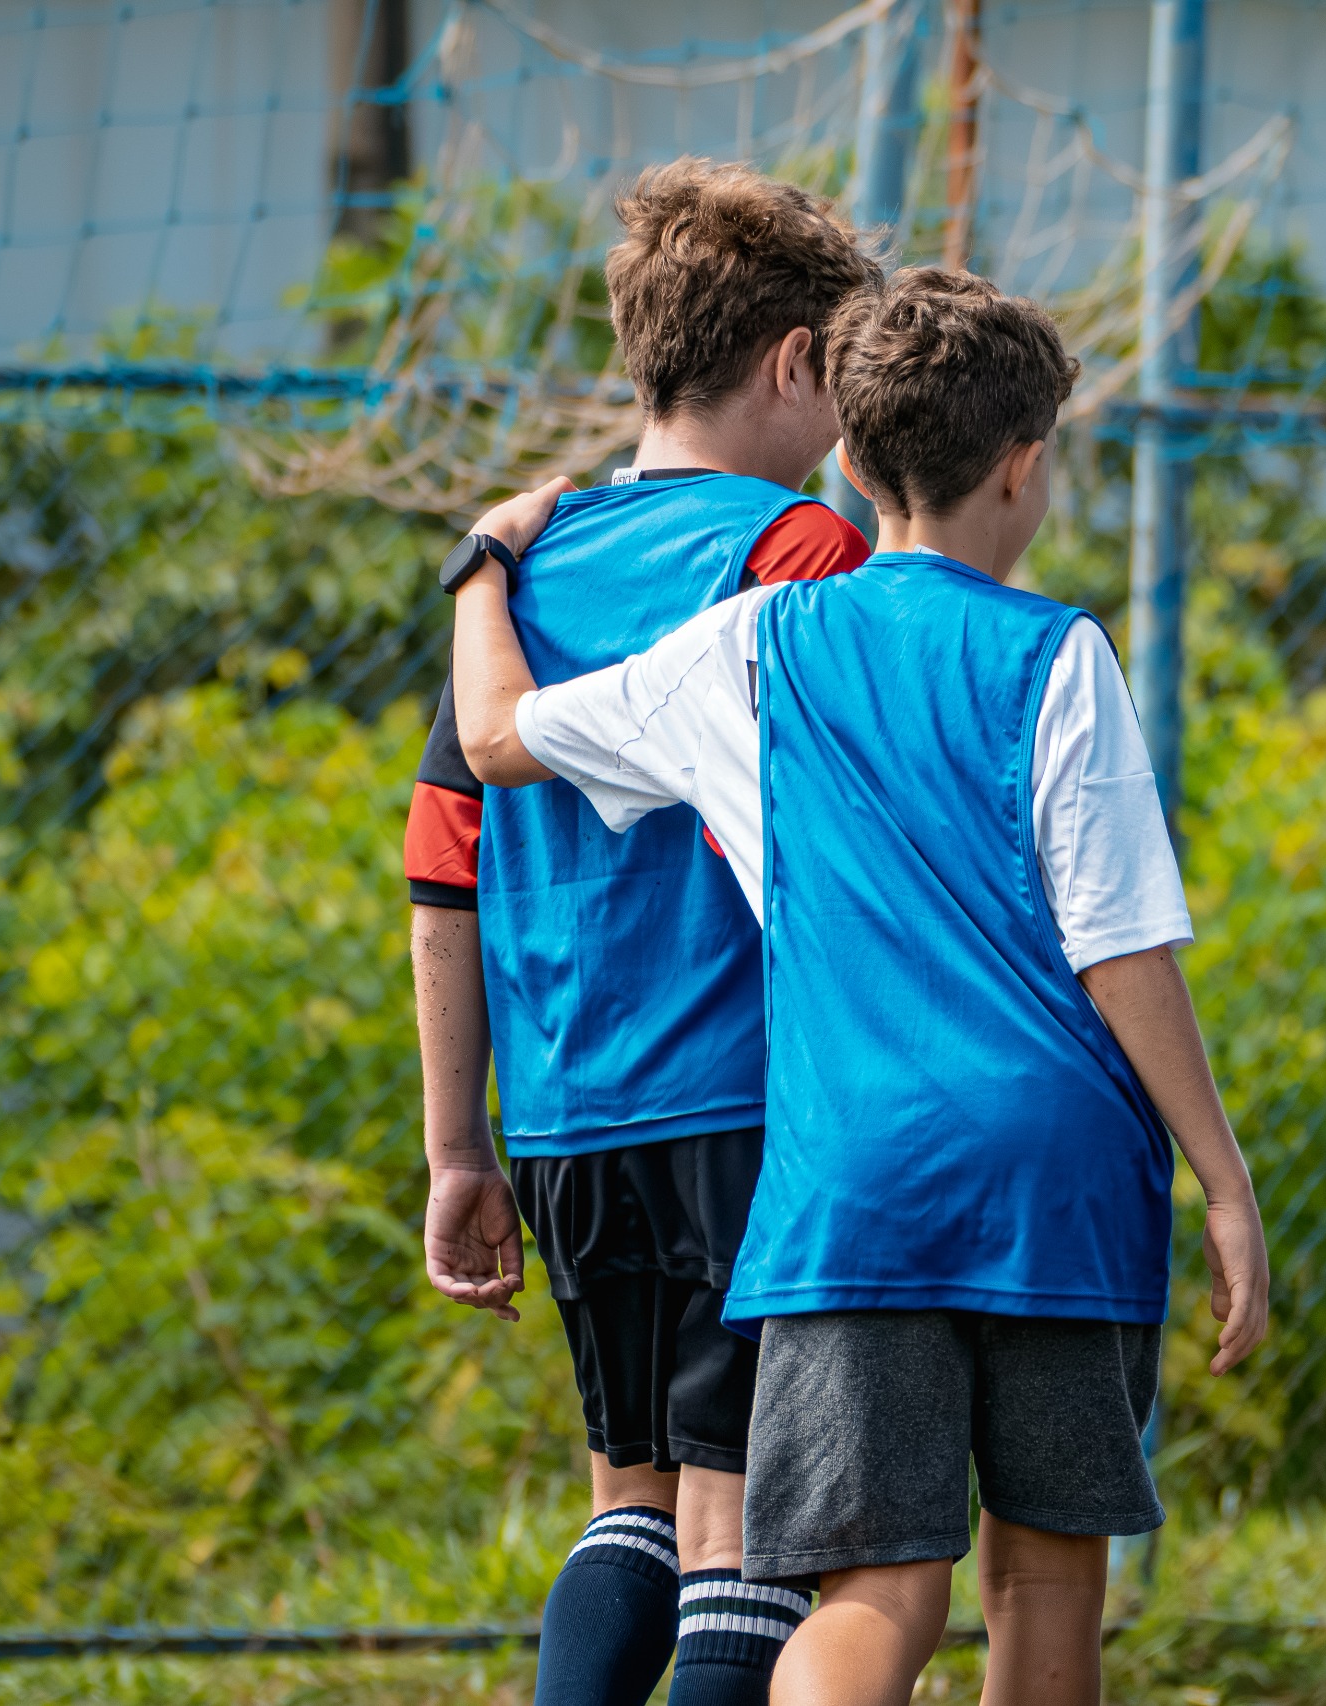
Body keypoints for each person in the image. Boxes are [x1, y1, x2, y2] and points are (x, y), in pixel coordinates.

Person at [442, 267, 1270, 1706]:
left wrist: (481, 566)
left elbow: (499, 735)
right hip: (1057, 1182)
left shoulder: (747, 649)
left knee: (873, 1591)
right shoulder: (1061, 654)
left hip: (851, 1185)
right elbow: (1120, 947)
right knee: (1044, 1581)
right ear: (1025, 468)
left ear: (846, 457)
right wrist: (1223, 1174)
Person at [404, 157, 878, 1706]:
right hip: (744, 1104)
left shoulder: (520, 567)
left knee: (629, 1498)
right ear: (798, 361)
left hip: (563, 1115)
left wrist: (459, 1146)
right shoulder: (799, 551)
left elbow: (442, 879)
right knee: (745, 1525)